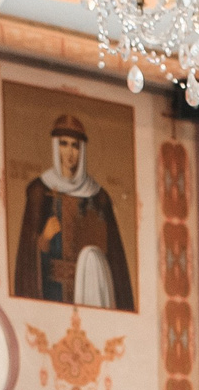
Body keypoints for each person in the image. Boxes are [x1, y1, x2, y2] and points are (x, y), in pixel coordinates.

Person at [14, 113, 134, 310]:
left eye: (75, 146)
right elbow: (27, 256)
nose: (70, 153)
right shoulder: (40, 191)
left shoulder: (98, 196)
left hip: (91, 290)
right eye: (64, 144)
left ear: (82, 149)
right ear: (55, 147)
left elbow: (115, 258)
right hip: (53, 292)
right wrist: (43, 239)